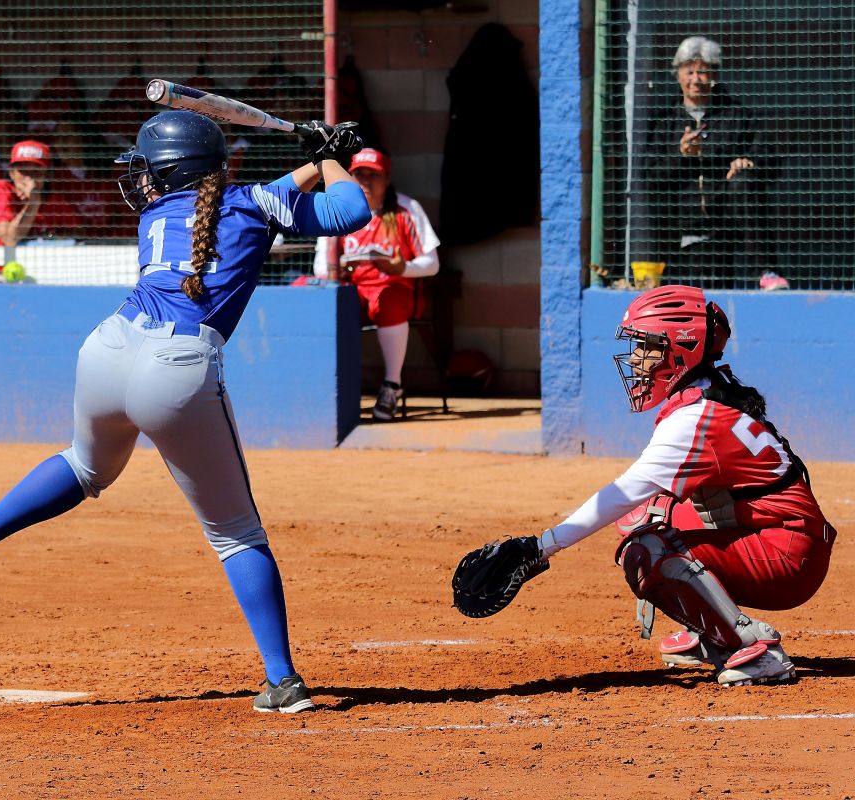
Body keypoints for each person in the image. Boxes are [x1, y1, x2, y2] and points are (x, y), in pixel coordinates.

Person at [0, 110, 370, 713]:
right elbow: (351, 211)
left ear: (171, 173)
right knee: (236, 534)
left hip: (108, 349)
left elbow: (257, 198)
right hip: (177, 368)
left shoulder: (166, 213)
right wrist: (330, 158)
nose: (142, 182)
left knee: (84, 465)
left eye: (149, 170)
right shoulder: (249, 204)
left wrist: (315, 157)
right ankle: (283, 681)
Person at [476, 285, 836, 686]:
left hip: (788, 555)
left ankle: (752, 648)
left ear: (680, 350)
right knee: (646, 516)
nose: (636, 359)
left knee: (645, 549)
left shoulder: (695, 418)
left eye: (647, 346)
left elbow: (622, 491)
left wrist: (539, 547)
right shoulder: (707, 390)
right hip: (782, 536)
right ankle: (713, 629)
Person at [312, 148, 440, 421]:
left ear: (387, 179)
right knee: (321, 296)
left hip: (397, 291)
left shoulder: (406, 209)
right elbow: (320, 268)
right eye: (359, 175)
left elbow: (433, 264)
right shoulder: (338, 210)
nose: (366, 182)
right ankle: (326, 388)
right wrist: (343, 268)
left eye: (374, 175)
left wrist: (401, 267)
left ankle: (392, 385)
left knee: (388, 300)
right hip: (354, 292)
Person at [633, 36, 768, 290]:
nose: (696, 79)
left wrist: (747, 162)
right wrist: (680, 154)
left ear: (715, 76)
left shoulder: (737, 115)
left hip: (726, 221)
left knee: (718, 303)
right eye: (689, 72)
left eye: (703, 72)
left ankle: (765, 273)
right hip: (678, 225)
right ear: (678, 75)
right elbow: (650, 177)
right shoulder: (664, 122)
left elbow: (768, 158)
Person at [0, 139, 80, 282]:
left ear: (46, 175)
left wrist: (53, 237)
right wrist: (33, 202)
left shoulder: (54, 201)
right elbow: (9, 238)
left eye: (35, 172)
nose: (29, 179)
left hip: (31, 275)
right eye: (23, 171)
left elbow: (79, 234)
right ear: (12, 173)